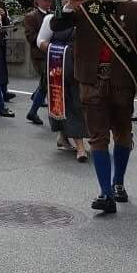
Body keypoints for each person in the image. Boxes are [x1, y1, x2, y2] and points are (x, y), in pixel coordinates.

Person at [52, 0, 137, 213]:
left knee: (122, 134)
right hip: (91, 80)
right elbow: (57, 26)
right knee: (97, 137)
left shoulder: (134, 9)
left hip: (121, 82)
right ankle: (105, 193)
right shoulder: (85, 6)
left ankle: (118, 182)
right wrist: (68, 7)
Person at [36, 8, 89, 161]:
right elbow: (40, 41)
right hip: (59, 65)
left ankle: (63, 136)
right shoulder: (51, 19)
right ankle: (80, 147)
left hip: (82, 66)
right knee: (70, 104)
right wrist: (60, 51)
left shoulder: (86, 18)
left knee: (80, 103)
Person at [23, 0, 53, 125]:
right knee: (46, 83)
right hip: (39, 55)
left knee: (45, 83)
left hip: (51, 53)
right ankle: (33, 111)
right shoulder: (31, 16)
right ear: (38, 0)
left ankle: (34, 106)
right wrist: (45, 41)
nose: (48, 2)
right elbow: (30, 36)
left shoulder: (52, 14)